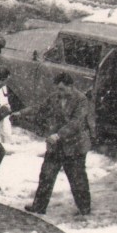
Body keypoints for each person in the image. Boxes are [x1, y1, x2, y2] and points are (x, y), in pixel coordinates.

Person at [14, 73, 92, 216]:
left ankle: (84, 209)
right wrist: (22, 113)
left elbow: (76, 123)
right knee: (46, 176)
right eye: (57, 89)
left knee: (77, 179)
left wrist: (59, 135)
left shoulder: (81, 100)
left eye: (62, 89)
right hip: (56, 146)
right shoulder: (55, 97)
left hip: (74, 146)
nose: (59, 93)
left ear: (70, 87)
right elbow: (40, 107)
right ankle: (39, 207)